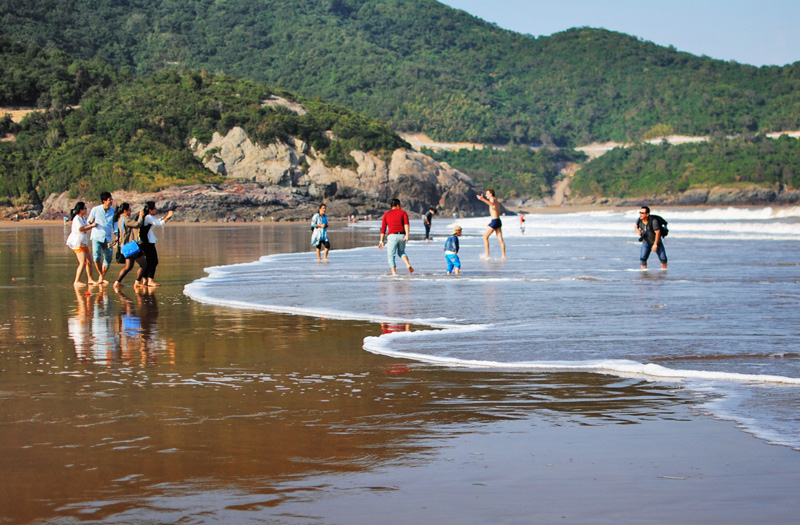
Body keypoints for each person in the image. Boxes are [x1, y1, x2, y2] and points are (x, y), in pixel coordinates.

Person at [112, 202, 147, 290]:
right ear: (125, 211)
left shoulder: (121, 219)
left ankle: (117, 282)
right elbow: (137, 224)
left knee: (128, 266)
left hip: (125, 247)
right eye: (129, 210)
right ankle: (137, 282)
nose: (130, 211)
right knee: (144, 264)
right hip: (130, 247)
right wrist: (141, 216)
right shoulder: (126, 219)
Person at [139, 201, 174, 287]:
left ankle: (145, 280)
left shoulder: (147, 217)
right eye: (154, 208)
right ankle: (150, 280)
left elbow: (157, 221)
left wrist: (165, 217)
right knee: (153, 261)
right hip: (147, 242)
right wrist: (168, 217)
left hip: (146, 241)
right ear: (150, 210)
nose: (156, 209)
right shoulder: (148, 217)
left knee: (148, 261)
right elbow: (160, 223)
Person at [378, 198, 414, 276]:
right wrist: (407, 235)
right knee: (401, 252)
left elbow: (383, 228)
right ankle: (407, 264)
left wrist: (381, 241)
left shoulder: (386, 214)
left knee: (391, 255)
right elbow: (406, 224)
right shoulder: (403, 213)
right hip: (402, 236)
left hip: (392, 237)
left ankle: (394, 273)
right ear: (398, 205)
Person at [65, 201, 98, 287]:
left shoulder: (82, 218)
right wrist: (92, 226)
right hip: (78, 242)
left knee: (89, 262)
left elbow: (86, 226)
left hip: (84, 242)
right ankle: (76, 280)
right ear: (81, 210)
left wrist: (90, 224)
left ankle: (90, 279)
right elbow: (81, 229)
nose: (86, 210)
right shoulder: (77, 219)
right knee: (82, 262)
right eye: (85, 208)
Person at [88, 191, 115, 284]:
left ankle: (101, 277)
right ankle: (102, 276)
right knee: (96, 257)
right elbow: (89, 221)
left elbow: (114, 224)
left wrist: (116, 236)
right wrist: (91, 222)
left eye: (111, 199)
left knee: (108, 258)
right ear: (104, 201)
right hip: (96, 236)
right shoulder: (95, 210)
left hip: (107, 237)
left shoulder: (113, 211)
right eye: (109, 199)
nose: (111, 201)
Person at [476, 188, 506, 259]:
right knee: (500, 240)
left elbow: (492, 204)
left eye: (487, 193)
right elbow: (495, 212)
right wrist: (491, 221)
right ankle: (503, 256)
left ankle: (487, 255)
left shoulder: (492, 199)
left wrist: (482, 199)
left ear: (491, 194)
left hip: (495, 221)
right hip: (497, 220)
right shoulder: (496, 200)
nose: (486, 195)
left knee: (485, 237)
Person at [635, 206, 668, 270]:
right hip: (646, 242)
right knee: (643, 258)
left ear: (647, 214)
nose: (640, 214)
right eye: (640, 212)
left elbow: (658, 233)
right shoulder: (640, 219)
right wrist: (638, 231)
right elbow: (635, 226)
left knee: (663, 258)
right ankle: (644, 273)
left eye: (642, 213)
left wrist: (655, 244)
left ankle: (664, 272)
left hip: (656, 242)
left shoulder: (653, 221)